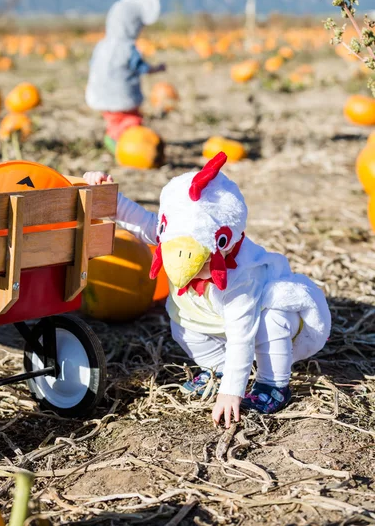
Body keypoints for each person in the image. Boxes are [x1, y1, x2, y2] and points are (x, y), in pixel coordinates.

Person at [83, 152, 331, 428]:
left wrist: (231, 392)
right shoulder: (175, 231)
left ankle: (273, 385)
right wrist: (107, 198)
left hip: (263, 308)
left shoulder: (241, 276)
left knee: (270, 324)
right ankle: (217, 369)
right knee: (184, 328)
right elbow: (142, 221)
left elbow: (241, 335)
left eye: (200, 262)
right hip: (213, 314)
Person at [85, 0, 166, 153]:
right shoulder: (128, 49)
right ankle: (122, 146)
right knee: (131, 121)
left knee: (114, 120)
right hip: (123, 97)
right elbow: (141, 67)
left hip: (101, 94)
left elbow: (92, 64)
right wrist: (157, 68)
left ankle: (115, 138)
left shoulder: (102, 45)